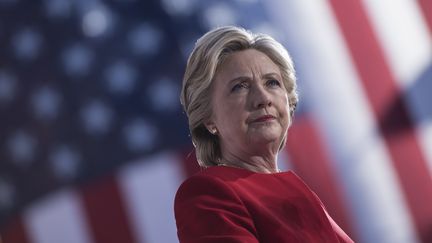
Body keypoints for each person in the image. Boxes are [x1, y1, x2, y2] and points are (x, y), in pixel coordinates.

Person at [175, 26, 353, 243]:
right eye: (239, 87)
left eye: (272, 83)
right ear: (208, 118)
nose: (263, 98)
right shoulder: (208, 192)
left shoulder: (303, 196)